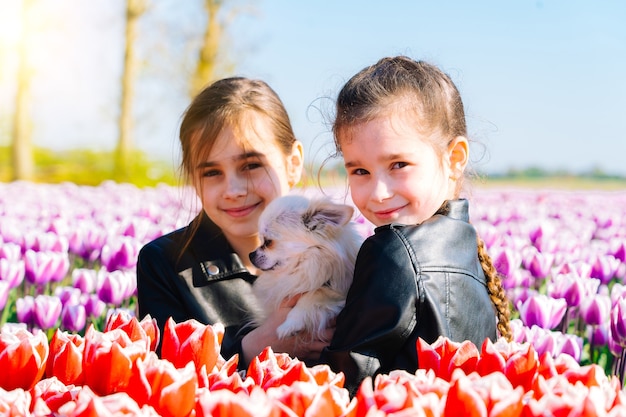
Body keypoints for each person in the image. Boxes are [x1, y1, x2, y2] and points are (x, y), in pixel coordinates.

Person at [319, 56, 512, 395]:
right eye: (360, 171)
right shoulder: (466, 245)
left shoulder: (391, 251)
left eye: (398, 164)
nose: (379, 193)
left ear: (454, 159)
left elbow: (343, 378)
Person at [136, 76, 329, 366]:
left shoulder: (341, 258)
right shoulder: (165, 265)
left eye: (251, 165)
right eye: (212, 172)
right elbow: (165, 380)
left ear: (294, 163)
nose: (234, 190)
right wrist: (249, 349)